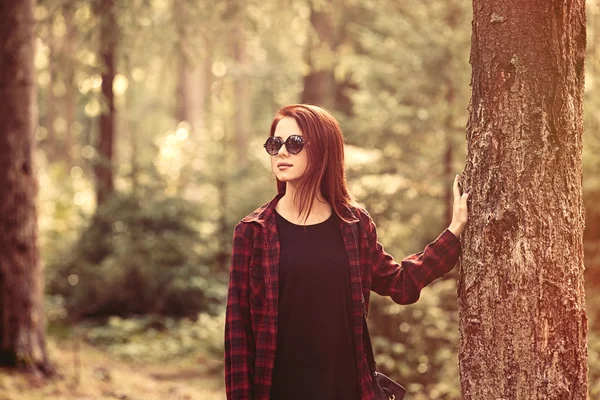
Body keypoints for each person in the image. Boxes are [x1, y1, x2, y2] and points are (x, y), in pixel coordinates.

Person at [224, 104, 469, 400]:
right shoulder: (252, 232)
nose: (282, 153)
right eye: (275, 144)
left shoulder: (353, 225)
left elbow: (400, 283)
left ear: (323, 149)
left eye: (295, 143)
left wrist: (454, 232)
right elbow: (238, 335)